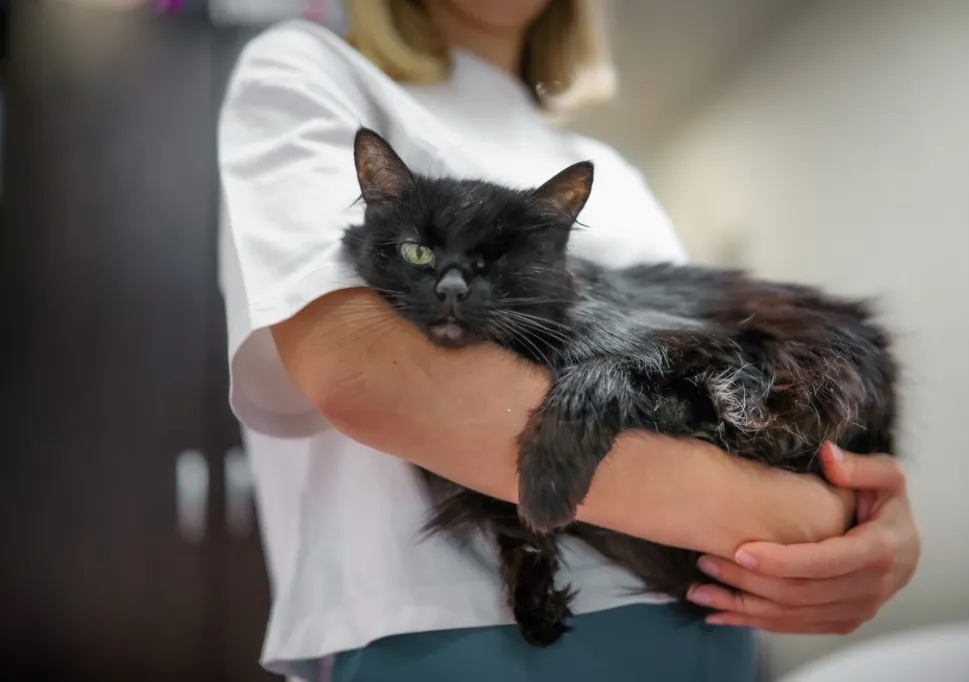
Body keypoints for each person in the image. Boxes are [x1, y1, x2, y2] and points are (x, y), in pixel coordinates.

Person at [217, 1, 921, 680]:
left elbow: (707, 385)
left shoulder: (611, 172)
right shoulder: (312, 70)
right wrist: (813, 519)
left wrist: (879, 542)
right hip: (455, 635)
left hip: (711, 623)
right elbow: (368, 375)